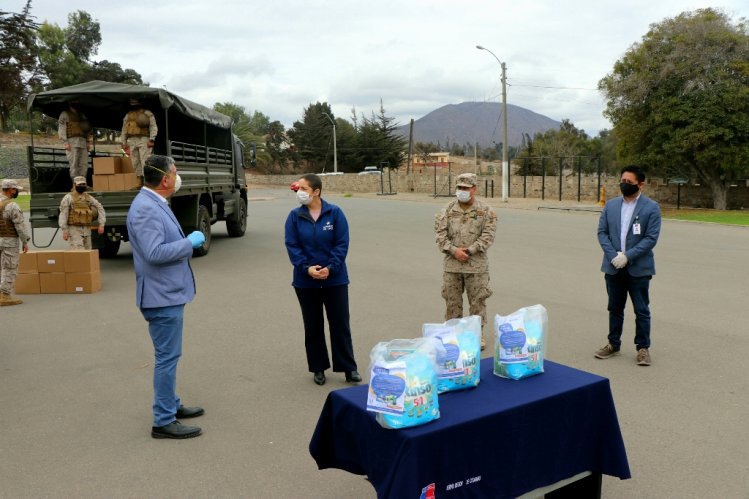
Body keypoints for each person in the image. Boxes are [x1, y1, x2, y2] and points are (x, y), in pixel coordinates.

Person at [126, 155, 206, 439]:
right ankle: (163, 420)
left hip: (167, 293)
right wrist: (189, 243)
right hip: (161, 297)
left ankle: (170, 404)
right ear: (165, 179)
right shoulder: (146, 208)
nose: (177, 176)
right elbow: (155, 253)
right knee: (167, 358)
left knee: (170, 355)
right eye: (176, 172)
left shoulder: (154, 202)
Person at [284, 173, 361, 386]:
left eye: (303, 189)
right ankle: (318, 368)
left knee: (340, 323)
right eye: (298, 189)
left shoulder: (335, 213)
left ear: (316, 191)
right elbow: (292, 246)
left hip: (334, 279)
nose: (299, 192)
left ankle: (348, 367)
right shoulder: (294, 216)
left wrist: (330, 268)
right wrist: (307, 269)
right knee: (313, 325)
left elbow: (341, 243)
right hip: (305, 281)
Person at [595, 165, 661, 366]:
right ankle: (613, 344)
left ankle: (643, 348)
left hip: (638, 268)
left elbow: (650, 238)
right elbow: (602, 232)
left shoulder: (651, 208)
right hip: (613, 266)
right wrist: (613, 255)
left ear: (640, 184)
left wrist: (628, 256)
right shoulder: (612, 205)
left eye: (629, 182)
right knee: (615, 307)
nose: (624, 184)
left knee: (641, 310)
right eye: (622, 181)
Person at [435, 173, 497, 350]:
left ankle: (477, 336)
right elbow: (440, 236)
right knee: (452, 302)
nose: (462, 191)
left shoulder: (486, 211)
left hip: (476, 267)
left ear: (474, 189)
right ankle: (453, 335)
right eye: (459, 188)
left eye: (465, 188)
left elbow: (488, 237)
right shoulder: (446, 210)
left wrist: (469, 251)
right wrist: (454, 251)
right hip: (452, 266)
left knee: (477, 303)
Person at [0, 179, 30, 306]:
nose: (17, 191)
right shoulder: (12, 205)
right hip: (9, 240)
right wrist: (25, 241)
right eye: (16, 189)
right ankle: (4, 295)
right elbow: (19, 226)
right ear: (11, 189)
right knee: (10, 267)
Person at [58, 176, 106, 250]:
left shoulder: (88, 197)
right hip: (74, 230)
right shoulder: (68, 198)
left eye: (83, 184)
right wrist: (65, 231)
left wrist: (101, 224)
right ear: (74, 185)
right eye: (79, 185)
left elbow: (100, 207)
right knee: (78, 252)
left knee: (88, 252)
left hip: (86, 230)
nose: (82, 186)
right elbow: (63, 214)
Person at [121, 98, 158, 185]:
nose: (133, 105)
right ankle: (138, 182)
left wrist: (152, 139)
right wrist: (124, 142)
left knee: (145, 161)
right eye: (132, 103)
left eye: (135, 103)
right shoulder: (128, 115)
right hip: (132, 140)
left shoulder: (147, 113)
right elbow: (124, 129)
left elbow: (153, 126)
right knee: (134, 162)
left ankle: (147, 182)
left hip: (144, 139)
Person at [58, 99, 92, 180]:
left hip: (82, 142)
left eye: (77, 101)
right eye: (74, 101)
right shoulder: (65, 114)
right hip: (71, 142)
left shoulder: (82, 115)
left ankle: (83, 184)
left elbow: (86, 129)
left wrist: (88, 141)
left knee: (83, 164)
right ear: (70, 102)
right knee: (74, 164)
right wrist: (65, 142)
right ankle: (75, 185)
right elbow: (62, 128)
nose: (76, 103)